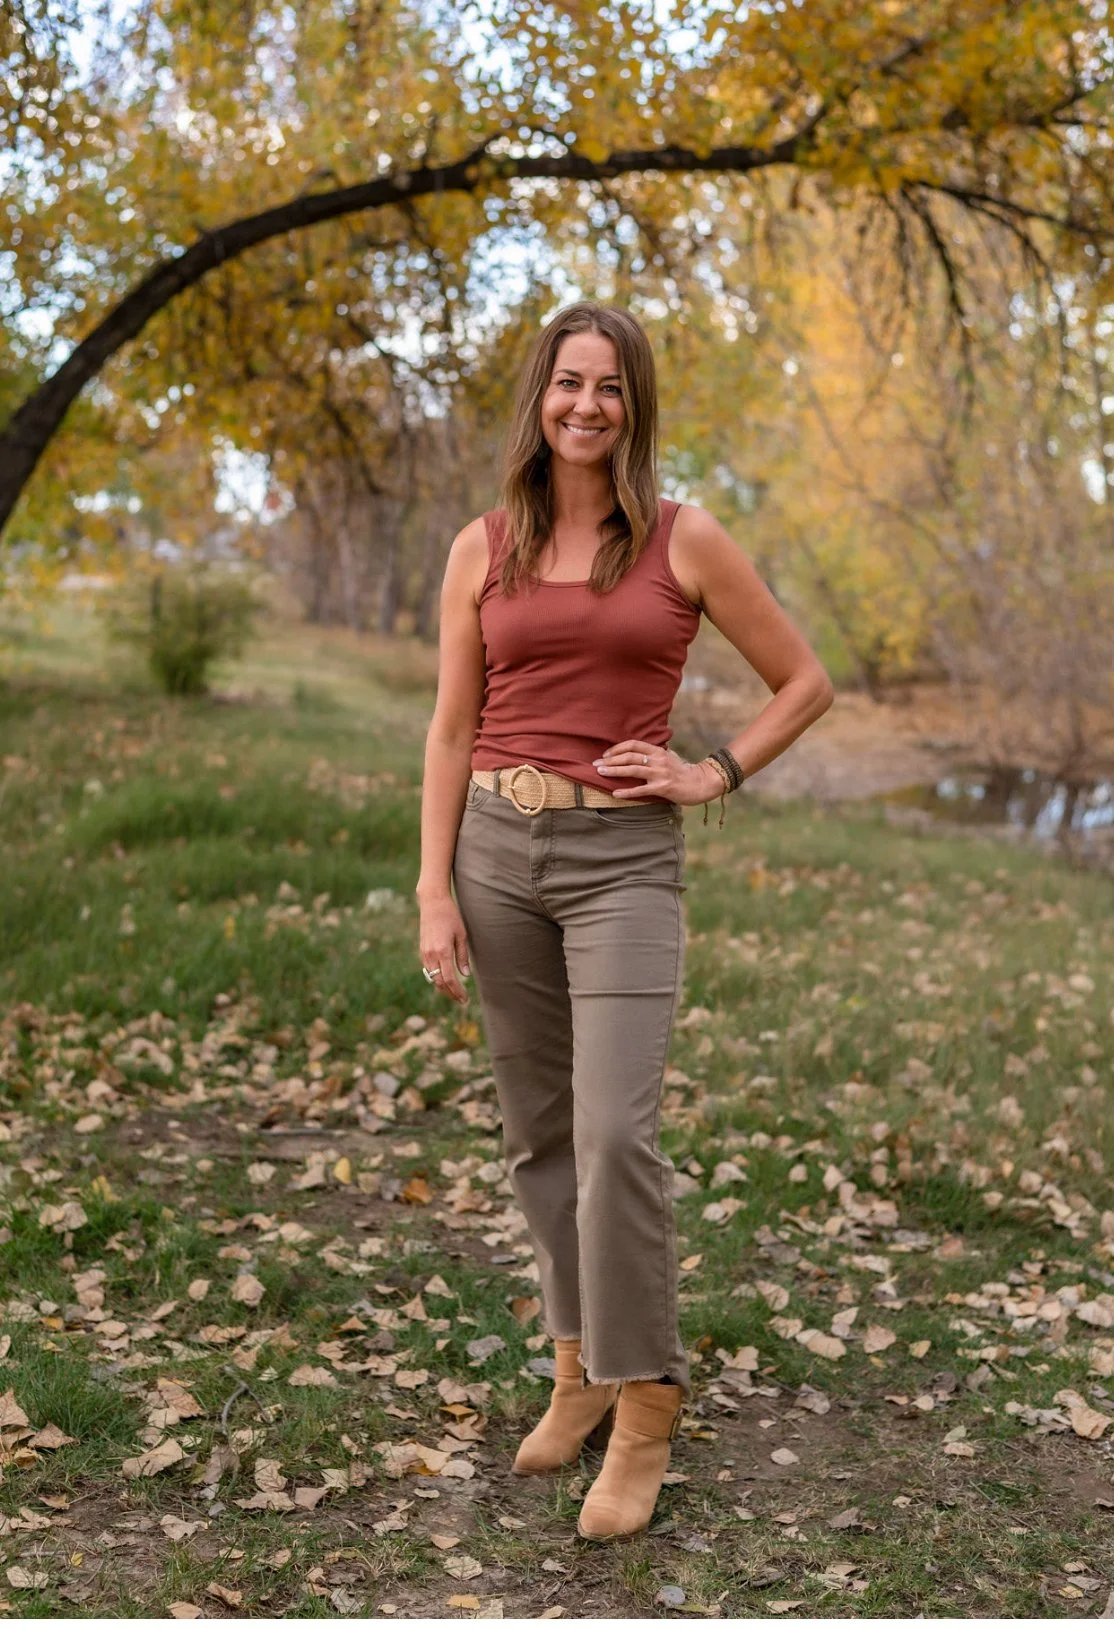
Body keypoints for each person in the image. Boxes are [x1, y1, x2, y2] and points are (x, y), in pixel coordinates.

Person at [416, 301, 833, 1541]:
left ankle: (646, 1406)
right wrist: (434, 887)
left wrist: (716, 771)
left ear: (634, 406)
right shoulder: (479, 545)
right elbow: (448, 727)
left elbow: (804, 682)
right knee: (539, 1136)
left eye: (608, 388)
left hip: (620, 864)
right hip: (495, 853)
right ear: (537, 400)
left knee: (611, 1136)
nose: (585, 406)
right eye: (566, 384)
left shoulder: (684, 540)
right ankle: (578, 1371)